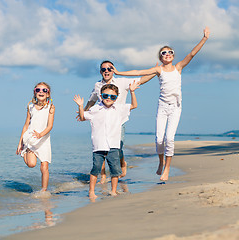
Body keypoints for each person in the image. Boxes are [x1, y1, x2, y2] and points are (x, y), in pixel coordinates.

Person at [114, 27, 210, 181]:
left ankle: (167, 168)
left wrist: (204, 38)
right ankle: (161, 162)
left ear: (173, 55)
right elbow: (139, 72)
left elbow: (191, 54)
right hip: (162, 107)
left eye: (170, 52)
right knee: (159, 139)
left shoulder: (178, 68)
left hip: (176, 107)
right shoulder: (159, 70)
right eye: (164, 52)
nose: (167, 54)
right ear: (160, 57)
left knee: (169, 139)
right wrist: (119, 73)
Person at [82, 60, 156, 183]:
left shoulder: (122, 81)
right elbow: (92, 100)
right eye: (103, 69)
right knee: (101, 147)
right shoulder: (97, 85)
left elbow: (141, 80)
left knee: (117, 149)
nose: (106, 71)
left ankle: (122, 163)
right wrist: (84, 112)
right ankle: (103, 175)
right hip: (101, 120)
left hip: (118, 121)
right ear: (100, 71)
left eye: (109, 68)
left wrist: (155, 71)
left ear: (113, 70)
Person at [74, 82, 139, 199]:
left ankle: (113, 190)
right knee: (95, 169)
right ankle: (91, 191)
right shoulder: (95, 109)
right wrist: (80, 106)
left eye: (112, 97)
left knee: (115, 170)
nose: (108, 98)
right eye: (105, 96)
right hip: (98, 145)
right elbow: (83, 117)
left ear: (116, 98)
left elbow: (134, 105)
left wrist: (132, 91)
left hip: (114, 145)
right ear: (101, 95)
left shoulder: (119, 109)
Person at [16, 82, 55, 193]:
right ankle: (25, 151)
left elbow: (50, 126)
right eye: (38, 90)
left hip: (44, 140)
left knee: (44, 166)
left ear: (48, 94)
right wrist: (20, 143)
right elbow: (26, 125)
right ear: (34, 92)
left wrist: (41, 134)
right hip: (30, 138)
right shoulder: (30, 106)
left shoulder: (50, 107)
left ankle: (44, 190)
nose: (41, 92)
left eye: (44, 90)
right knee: (31, 164)